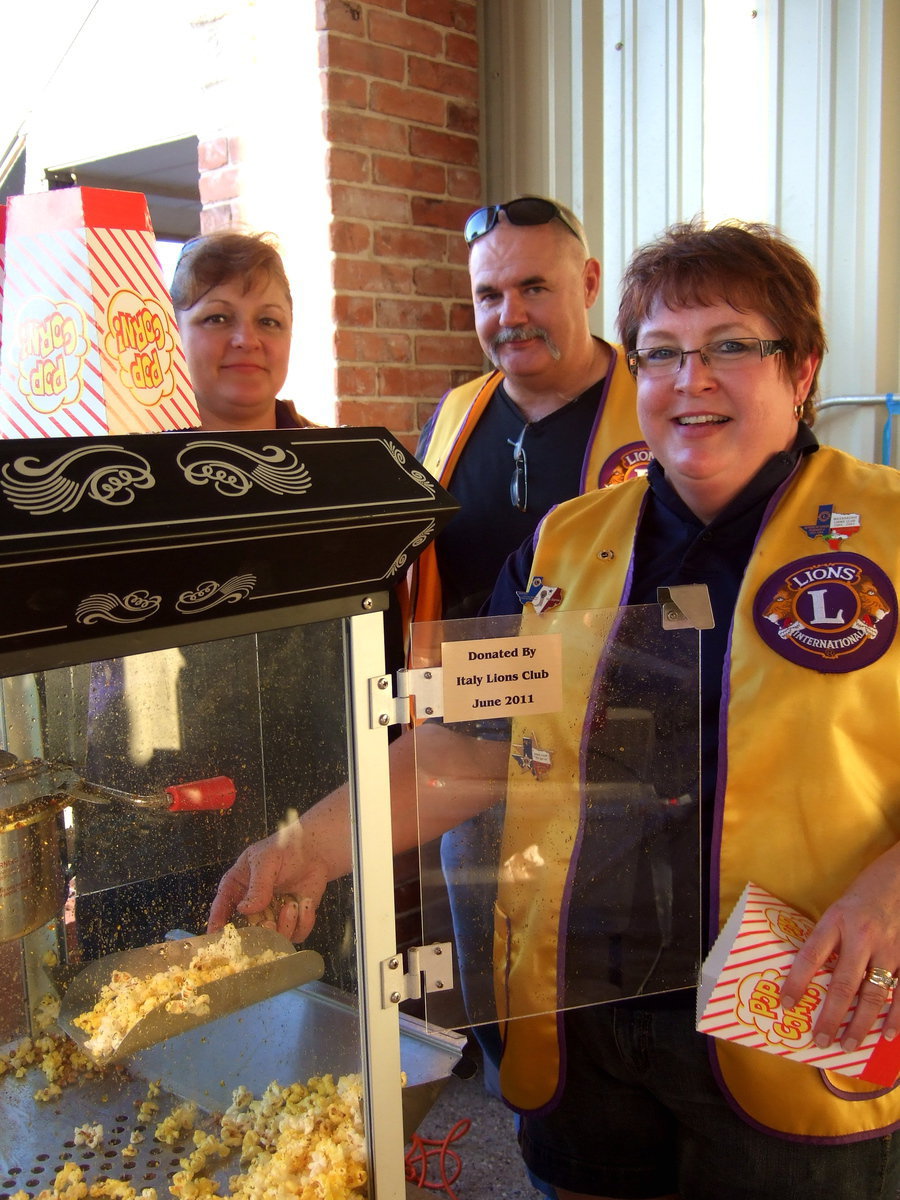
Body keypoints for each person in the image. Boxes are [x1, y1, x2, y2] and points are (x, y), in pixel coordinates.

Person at [210, 218, 900, 1198]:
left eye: (730, 347)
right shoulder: (560, 547)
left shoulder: (890, 533)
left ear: (802, 369)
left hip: (799, 1013)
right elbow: (464, 748)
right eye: (661, 352)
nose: (691, 380)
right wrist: (311, 843)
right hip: (584, 1017)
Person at [408, 196, 646, 1110]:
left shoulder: (654, 406)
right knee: (484, 942)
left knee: (604, 967)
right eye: (489, 295)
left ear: (587, 283)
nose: (510, 315)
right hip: (473, 735)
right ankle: (524, 1110)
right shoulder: (455, 415)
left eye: (534, 287)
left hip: (620, 749)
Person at [171, 230, 317, 431]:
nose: (247, 340)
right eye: (218, 318)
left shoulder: (345, 450)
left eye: (268, 322)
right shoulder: (131, 450)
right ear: (174, 333)